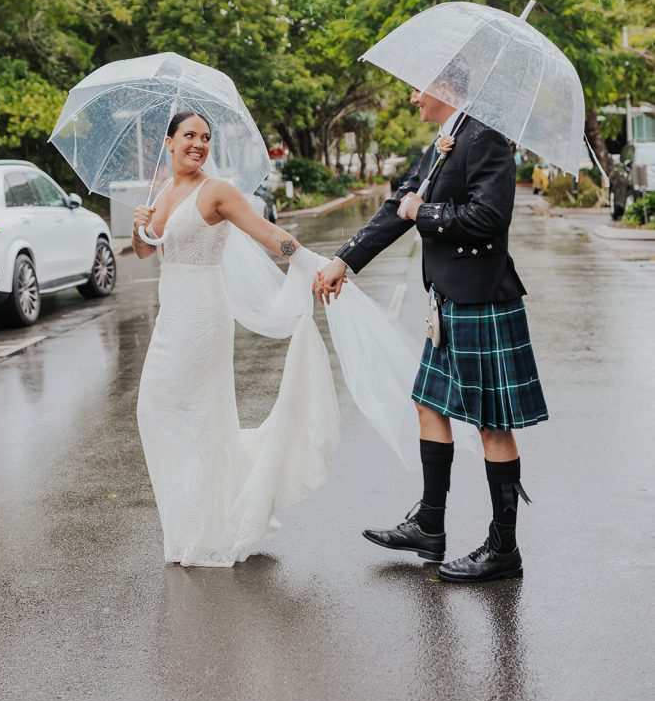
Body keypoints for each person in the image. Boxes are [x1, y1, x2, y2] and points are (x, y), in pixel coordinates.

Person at [315, 60, 548, 582]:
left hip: (481, 299)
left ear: (446, 88)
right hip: (450, 299)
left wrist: (424, 213)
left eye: (418, 89)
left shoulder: (485, 135)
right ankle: (430, 523)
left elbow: (490, 218)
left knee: (492, 423)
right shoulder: (447, 138)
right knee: (429, 405)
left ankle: (503, 548)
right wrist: (345, 260)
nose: (413, 99)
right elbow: (398, 204)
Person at [132, 110, 338, 568]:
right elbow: (148, 249)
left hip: (204, 316)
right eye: (189, 135)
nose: (199, 144)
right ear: (168, 142)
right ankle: (190, 524)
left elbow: (265, 233)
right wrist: (140, 225)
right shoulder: (163, 192)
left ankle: (212, 529)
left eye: (205, 138)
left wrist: (308, 260)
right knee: (157, 409)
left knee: (203, 418)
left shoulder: (217, 191)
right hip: (172, 316)